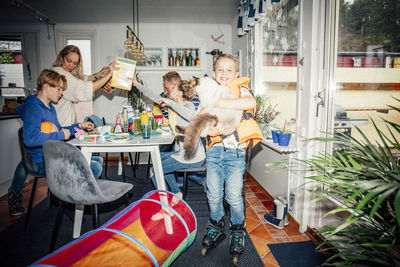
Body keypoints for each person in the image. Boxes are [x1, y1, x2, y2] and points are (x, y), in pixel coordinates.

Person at [8, 69, 103, 216]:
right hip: (43, 162)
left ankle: (76, 200)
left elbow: (60, 130)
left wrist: (79, 126)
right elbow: (31, 139)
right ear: (46, 86)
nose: (61, 93)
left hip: (51, 156)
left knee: (96, 159)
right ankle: (78, 203)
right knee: (93, 166)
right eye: (58, 89)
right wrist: (60, 134)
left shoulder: (49, 107)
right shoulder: (34, 107)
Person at [201, 54, 263, 260]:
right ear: (213, 73)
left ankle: (237, 228)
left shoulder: (241, 89)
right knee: (213, 193)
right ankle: (216, 224)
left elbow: (250, 102)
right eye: (220, 69)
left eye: (229, 70)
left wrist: (220, 102)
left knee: (234, 196)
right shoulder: (208, 90)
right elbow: (205, 123)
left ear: (236, 74)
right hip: (214, 152)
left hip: (235, 153)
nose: (224, 74)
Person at [131, 76, 205, 198]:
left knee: (155, 171)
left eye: (173, 88)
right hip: (183, 153)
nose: (168, 91)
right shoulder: (172, 106)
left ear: (180, 92)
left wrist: (170, 103)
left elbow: (191, 116)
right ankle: (176, 193)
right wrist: (137, 84)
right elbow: (154, 96)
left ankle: (165, 200)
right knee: (157, 160)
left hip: (192, 156)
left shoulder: (188, 105)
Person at [51, 45, 117, 126]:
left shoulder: (66, 73)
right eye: (68, 60)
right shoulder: (59, 74)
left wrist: (97, 75)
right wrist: (109, 75)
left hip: (66, 124)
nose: (71, 65)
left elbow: (80, 79)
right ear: (61, 57)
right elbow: (82, 88)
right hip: (60, 123)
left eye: (75, 63)